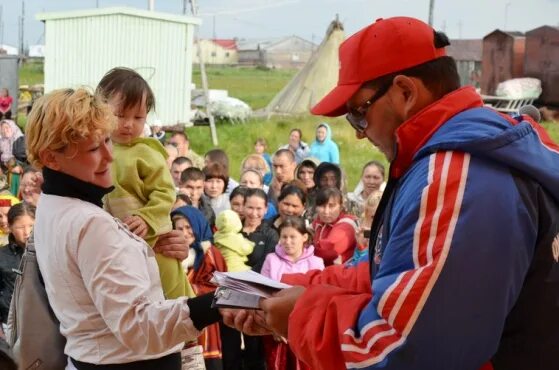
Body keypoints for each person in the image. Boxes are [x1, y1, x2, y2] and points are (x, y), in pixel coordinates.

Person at [223, 16, 559, 370]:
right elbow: (395, 268)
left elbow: (403, 348)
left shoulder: (459, 175)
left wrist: (300, 316)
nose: (358, 133)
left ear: (405, 92)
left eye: (358, 114)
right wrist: (286, 288)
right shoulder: (462, 152)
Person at [26, 87, 220, 368]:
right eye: (94, 148)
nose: (110, 156)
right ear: (51, 158)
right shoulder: (90, 223)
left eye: (108, 141)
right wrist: (218, 303)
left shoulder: (53, 205)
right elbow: (137, 327)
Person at [97, 67, 187, 301]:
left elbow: (165, 193)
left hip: (153, 238)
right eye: (120, 115)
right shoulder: (94, 150)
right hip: (115, 245)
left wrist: (146, 218)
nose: (128, 124)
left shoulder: (146, 153)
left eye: (138, 117)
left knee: (170, 290)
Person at [260, 216, 323, 370]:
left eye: (292, 237)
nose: (287, 241)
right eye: (284, 237)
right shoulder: (271, 260)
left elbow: (320, 297)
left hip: (307, 329)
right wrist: (273, 326)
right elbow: (263, 293)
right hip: (276, 328)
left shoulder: (316, 262)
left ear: (304, 237)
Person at [171, 206, 227, 370]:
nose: (185, 232)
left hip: (206, 322)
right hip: (179, 318)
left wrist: (192, 290)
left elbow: (223, 287)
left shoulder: (211, 253)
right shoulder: (170, 254)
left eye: (189, 227)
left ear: (198, 226)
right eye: (179, 228)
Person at [0, 203, 35, 329]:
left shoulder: (47, 252)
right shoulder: (2, 256)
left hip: (42, 322)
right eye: (20, 227)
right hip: (10, 323)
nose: (27, 232)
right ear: (10, 227)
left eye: (31, 226)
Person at [312, 187, 357, 266]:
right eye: (322, 206)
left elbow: (329, 249)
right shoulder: (317, 223)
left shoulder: (347, 224)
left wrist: (305, 248)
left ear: (341, 207)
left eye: (331, 206)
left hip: (343, 274)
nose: (326, 211)